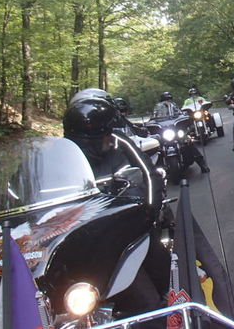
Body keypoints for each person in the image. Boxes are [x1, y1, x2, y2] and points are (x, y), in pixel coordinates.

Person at [62, 93, 171, 317]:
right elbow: (24, 195)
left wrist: (148, 212)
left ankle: (167, 305)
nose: (108, 137)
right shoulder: (61, 156)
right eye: (105, 133)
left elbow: (148, 175)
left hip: (119, 238)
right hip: (73, 244)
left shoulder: (118, 144)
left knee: (150, 298)